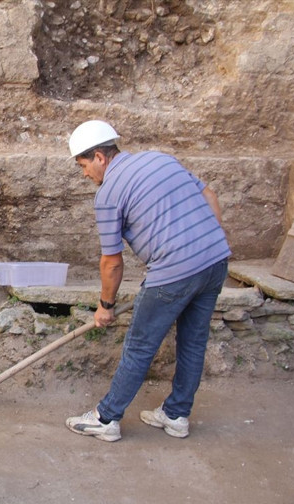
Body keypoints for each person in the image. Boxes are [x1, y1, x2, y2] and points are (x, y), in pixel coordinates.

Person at [65, 120, 231, 442]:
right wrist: (213, 237)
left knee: (139, 346)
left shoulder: (108, 194)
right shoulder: (160, 158)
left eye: (84, 166)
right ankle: (177, 414)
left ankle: (106, 418)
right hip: (215, 262)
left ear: (99, 157)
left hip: (174, 271)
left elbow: (111, 262)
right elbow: (208, 193)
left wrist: (105, 306)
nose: (85, 175)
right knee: (193, 342)